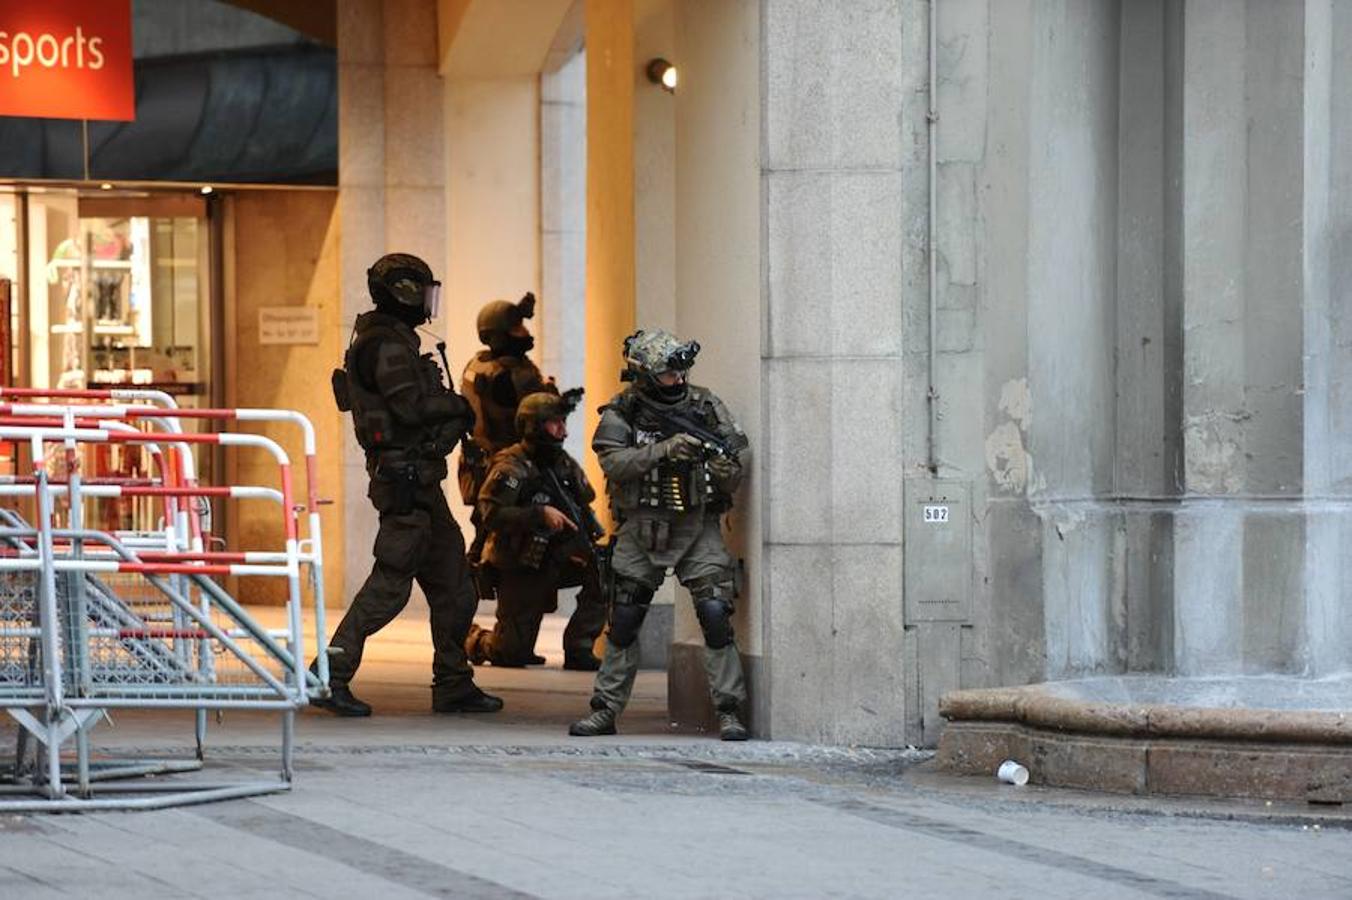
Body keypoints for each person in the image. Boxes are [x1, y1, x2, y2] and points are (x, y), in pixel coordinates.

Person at [316, 252, 502, 717]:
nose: (426, 301)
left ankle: (454, 681)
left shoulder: (390, 339)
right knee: (390, 586)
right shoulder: (385, 345)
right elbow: (410, 409)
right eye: (420, 291)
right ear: (402, 291)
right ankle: (328, 675)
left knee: (456, 587)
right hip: (403, 482)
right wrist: (457, 407)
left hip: (420, 481)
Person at [569, 329, 752, 741]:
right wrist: (665, 450)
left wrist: (721, 468)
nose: (679, 380)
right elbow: (614, 464)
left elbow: (736, 455)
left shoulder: (705, 405)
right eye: (669, 374)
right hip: (641, 528)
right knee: (625, 619)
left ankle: (729, 710)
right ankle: (605, 709)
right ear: (647, 375)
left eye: (681, 372)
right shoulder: (622, 411)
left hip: (697, 525)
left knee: (715, 613)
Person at [463, 390, 607, 671]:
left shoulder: (562, 463)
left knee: (606, 571)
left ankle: (579, 646)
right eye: (555, 424)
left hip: (557, 555)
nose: (563, 431)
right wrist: (538, 514)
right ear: (533, 426)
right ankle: (472, 638)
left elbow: (584, 499)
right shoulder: (511, 465)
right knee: (511, 654)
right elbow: (490, 514)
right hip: (520, 561)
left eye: (563, 423)